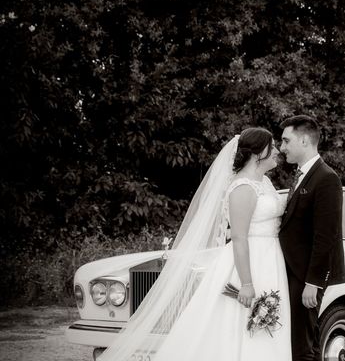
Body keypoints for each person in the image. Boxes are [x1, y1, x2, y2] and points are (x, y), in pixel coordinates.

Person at [98, 128, 291, 361]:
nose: (278, 151)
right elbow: (239, 238)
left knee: (268, 329)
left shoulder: (266, 182)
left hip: (270, 260)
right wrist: (247, 283)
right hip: (247, 264)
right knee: (236, 328)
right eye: (273, 146)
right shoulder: (243, 187)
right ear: (258, 152)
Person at [278, 115, 345, 361]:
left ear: (304, 140)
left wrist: (313, 283)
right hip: (294, 270)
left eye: (286, 141)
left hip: (307, 275)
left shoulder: (326, 178)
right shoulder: (302, 175)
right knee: (303, 339)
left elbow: (327, 235)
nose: (282, 147)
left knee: (302, 345)